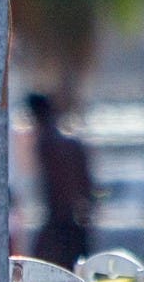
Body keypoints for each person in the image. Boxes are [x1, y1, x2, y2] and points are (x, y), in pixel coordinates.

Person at [25, 91, 94, 269]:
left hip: (61, 220)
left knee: (47, 268)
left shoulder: (49, 142)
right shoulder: (67, 140)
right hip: (71, 217)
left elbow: (62, 185)